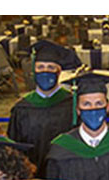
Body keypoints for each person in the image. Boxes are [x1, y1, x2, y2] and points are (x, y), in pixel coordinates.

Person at [7, 40, 82, 168]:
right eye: (40, 67)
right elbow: (13, 146)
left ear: (59, 72)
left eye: (51, 67)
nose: (45, 71)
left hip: (65, 171)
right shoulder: (21, 108)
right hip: (30, 174)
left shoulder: (71, 105)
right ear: (34, 71)